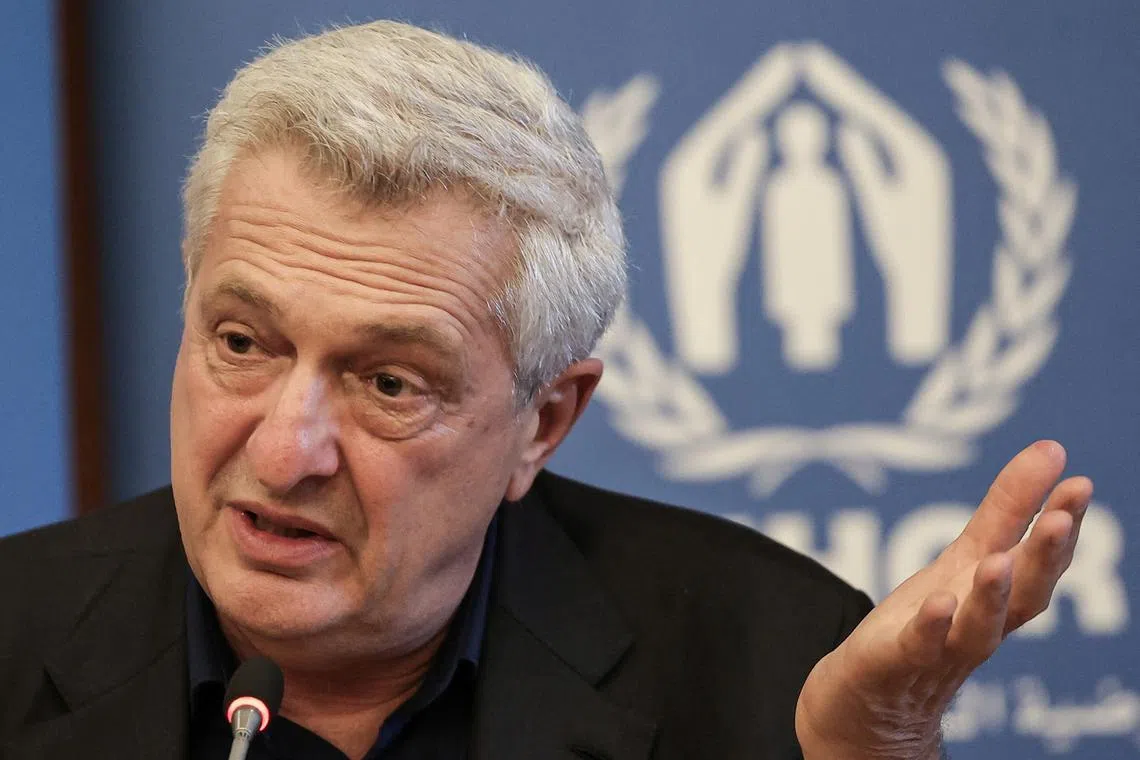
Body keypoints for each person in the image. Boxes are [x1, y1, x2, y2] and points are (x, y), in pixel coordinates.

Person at [0, 20, 1090, 760]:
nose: (286, 452)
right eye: (243, 342)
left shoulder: (774, 672)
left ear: (545, 421)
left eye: (388, 380)